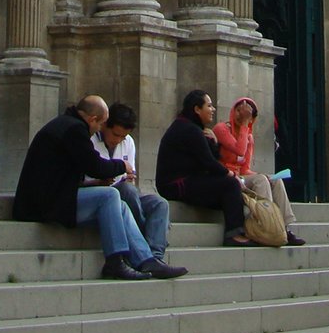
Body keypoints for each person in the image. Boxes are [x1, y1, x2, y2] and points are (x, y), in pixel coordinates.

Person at [13, 95, 187, 281]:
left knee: (120, 204)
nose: (99, 129)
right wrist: (121, 166)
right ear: (92, 119)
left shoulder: (66, 125)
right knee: (110, 195)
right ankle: (114, 261)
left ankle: (147, 261)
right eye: (101, 123)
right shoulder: (74, 130)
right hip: (43, 204)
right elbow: (95, 167)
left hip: (52, 198)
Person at [156, 91, 250, 245]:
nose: (213, 109)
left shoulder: (189, 127)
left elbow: (210, 159)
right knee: (231, 184)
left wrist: (212, 141)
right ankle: (234, 234)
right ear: (197, 109)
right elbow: (209, 163)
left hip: (185, 181)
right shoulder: (189, 130)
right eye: (209, 105)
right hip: (176, 185)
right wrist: (231, 174)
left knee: (228, 191)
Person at [212, 97, 305, 246]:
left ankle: (284, 228)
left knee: (274, 180)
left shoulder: (248, 136)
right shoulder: (222, 129)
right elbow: (239, 149)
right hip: (225, 176)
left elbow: (245, 168)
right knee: (260, 180)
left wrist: (264, 176)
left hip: (240, 176)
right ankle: (265, 225)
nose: (241, 116)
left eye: (246, 115)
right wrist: (244, 124)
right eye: (238, 111)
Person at [91, 101, 170, 262]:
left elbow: (130, 175)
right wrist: (99, 182)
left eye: (123, 136)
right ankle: (142, 243)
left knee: (160, 204)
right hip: (102, 193)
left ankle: (155, 256)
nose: (118, 140)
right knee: (128, 191)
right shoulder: (91, 140)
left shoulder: (129, 142)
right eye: (115, 134)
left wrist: (128, 178)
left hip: (126, 193)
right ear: (105, 125)